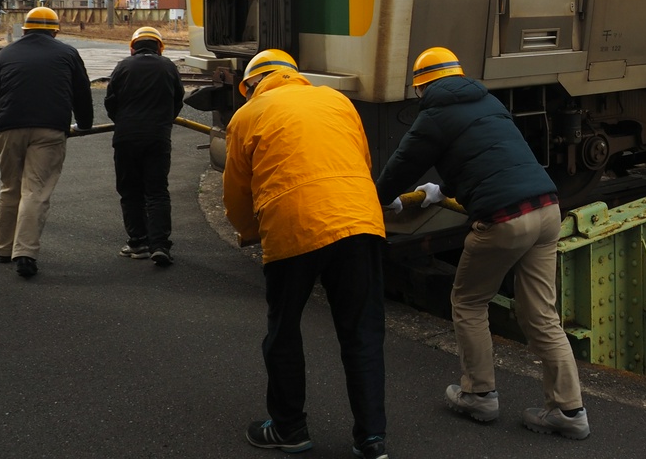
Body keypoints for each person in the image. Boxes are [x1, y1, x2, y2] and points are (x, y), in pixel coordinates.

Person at [375, 46, 590, 440]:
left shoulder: (433, 116)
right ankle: (569, 410)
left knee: (469, 302)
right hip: (547, 209)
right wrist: (442, 191)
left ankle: (479, 395)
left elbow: (400, 167)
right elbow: (489, 159)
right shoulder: (489, 102)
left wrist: (385, 198)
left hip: (504, 220)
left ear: (422, 88)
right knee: (542, 316)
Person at [222, 49, 389, 459]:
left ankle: (289, 428)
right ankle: (371, 438)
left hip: (292, 223)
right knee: (362, 333)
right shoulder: (337, 100)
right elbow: (363, 160)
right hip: (359, 220)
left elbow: (237, 192)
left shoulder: (247, 115)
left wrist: (249, 232)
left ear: (252, 85)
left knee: (284, 329)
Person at [0, 6, 93, 278]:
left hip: (9, 127)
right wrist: (84, 123)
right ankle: (24, 252)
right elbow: (82, 93)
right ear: (54, 31)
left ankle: (2, 247)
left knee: (10, 187)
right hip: (49, 129)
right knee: (35, 190)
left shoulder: (6, 54)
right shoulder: (67, 53)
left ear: (25, 29)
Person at [104, 26, 185, 265]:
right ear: (160, 48)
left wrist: (122, 121)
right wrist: (164, 122)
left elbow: (110, 101)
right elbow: (178, 100)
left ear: (133, 48)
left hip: (126, 137)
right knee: (157, 191)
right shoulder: (168, 67)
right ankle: (160, 245)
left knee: (130, 191)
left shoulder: (123, 67)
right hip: (158, 137)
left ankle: (138, 242)